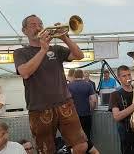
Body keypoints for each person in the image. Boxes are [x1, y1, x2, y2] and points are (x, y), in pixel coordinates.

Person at [13, 14, 87, 153]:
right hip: (39, 108)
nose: (38, 27)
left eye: (40, 24)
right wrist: (43, 50)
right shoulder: (20, 52)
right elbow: (25, 72)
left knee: (81, 145)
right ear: (24, 31)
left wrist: (64, 37)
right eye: (33, 25)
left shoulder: (56, 49)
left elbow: (79, 55)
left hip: (65, 103)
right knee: (46, 150)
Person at [68, 69, 99, 154]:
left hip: (74, 117)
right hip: (86, 115)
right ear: (82, 76)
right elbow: (94, 100)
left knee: (74, 139)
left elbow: (66, 102)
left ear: (74, 76)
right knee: (87, 138)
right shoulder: (88, 85)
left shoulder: (69, 86)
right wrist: (91, 110)